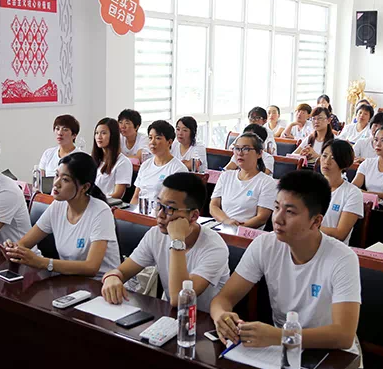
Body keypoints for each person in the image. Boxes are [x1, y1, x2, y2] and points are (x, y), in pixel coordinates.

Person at [210, 170, 361, 353]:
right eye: (276, 208)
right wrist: (222, 316)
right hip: (281, 349)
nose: (277, 219)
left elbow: (344, 336)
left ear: (316, 221)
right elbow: (223, 298)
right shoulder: (265, 244)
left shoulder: (343, 258)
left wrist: (280, 336)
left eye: (289, 212)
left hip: (331, 354)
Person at [102, 173, 230, 313]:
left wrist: (177, 240)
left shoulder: (215, 248)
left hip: (205, 320)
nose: (160, 214)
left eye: (170, 209)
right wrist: (112, 277)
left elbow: (179, 298)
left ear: (193, 216)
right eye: (159, 205)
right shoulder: (155, 234)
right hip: (171, 315)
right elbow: (122, 271)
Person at [1, 153, 120, 278]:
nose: (56, 183)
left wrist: (42, 262)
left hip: (102, 284)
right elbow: (24, 243)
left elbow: (91, 267)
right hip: (69, 281)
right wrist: (13, 250)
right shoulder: (57, 206)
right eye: (57, 175)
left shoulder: (101, 212)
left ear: (85, 187)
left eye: (65, 180)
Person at [210, 132, 277, 229]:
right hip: (222, 227)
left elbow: (261, 218)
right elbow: (213, 206)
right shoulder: (226, 176)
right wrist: (226, 221)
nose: (240, 153)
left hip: (247, 232)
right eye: (237, 148)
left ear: (259, 153)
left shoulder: (267, 182)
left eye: (246, 149)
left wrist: (238, 228)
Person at [130, 120, 188, 205]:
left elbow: (177, 203)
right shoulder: (145, 165)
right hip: (140, 211)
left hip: (161, 212)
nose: (152, 142)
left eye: (158, 138)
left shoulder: (178, 169)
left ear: (169, 142)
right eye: (150, 138)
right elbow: (136, 197)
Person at [319, 140, 363, 244]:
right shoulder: (309, 186)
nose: (327, 162)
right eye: (324, 156)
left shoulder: (353, 193)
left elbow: (340, 234)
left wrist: (306, 227)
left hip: (332, 248)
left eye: (333, 158)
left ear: (344, 162)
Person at [92, 118, 133, 199]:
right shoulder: (93, 159)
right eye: (96, 133)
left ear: (113, 136)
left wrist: (96, 201)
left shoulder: (123, 162)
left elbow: (117, 194)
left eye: (103, 133)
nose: (99, 137)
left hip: (107, 203)